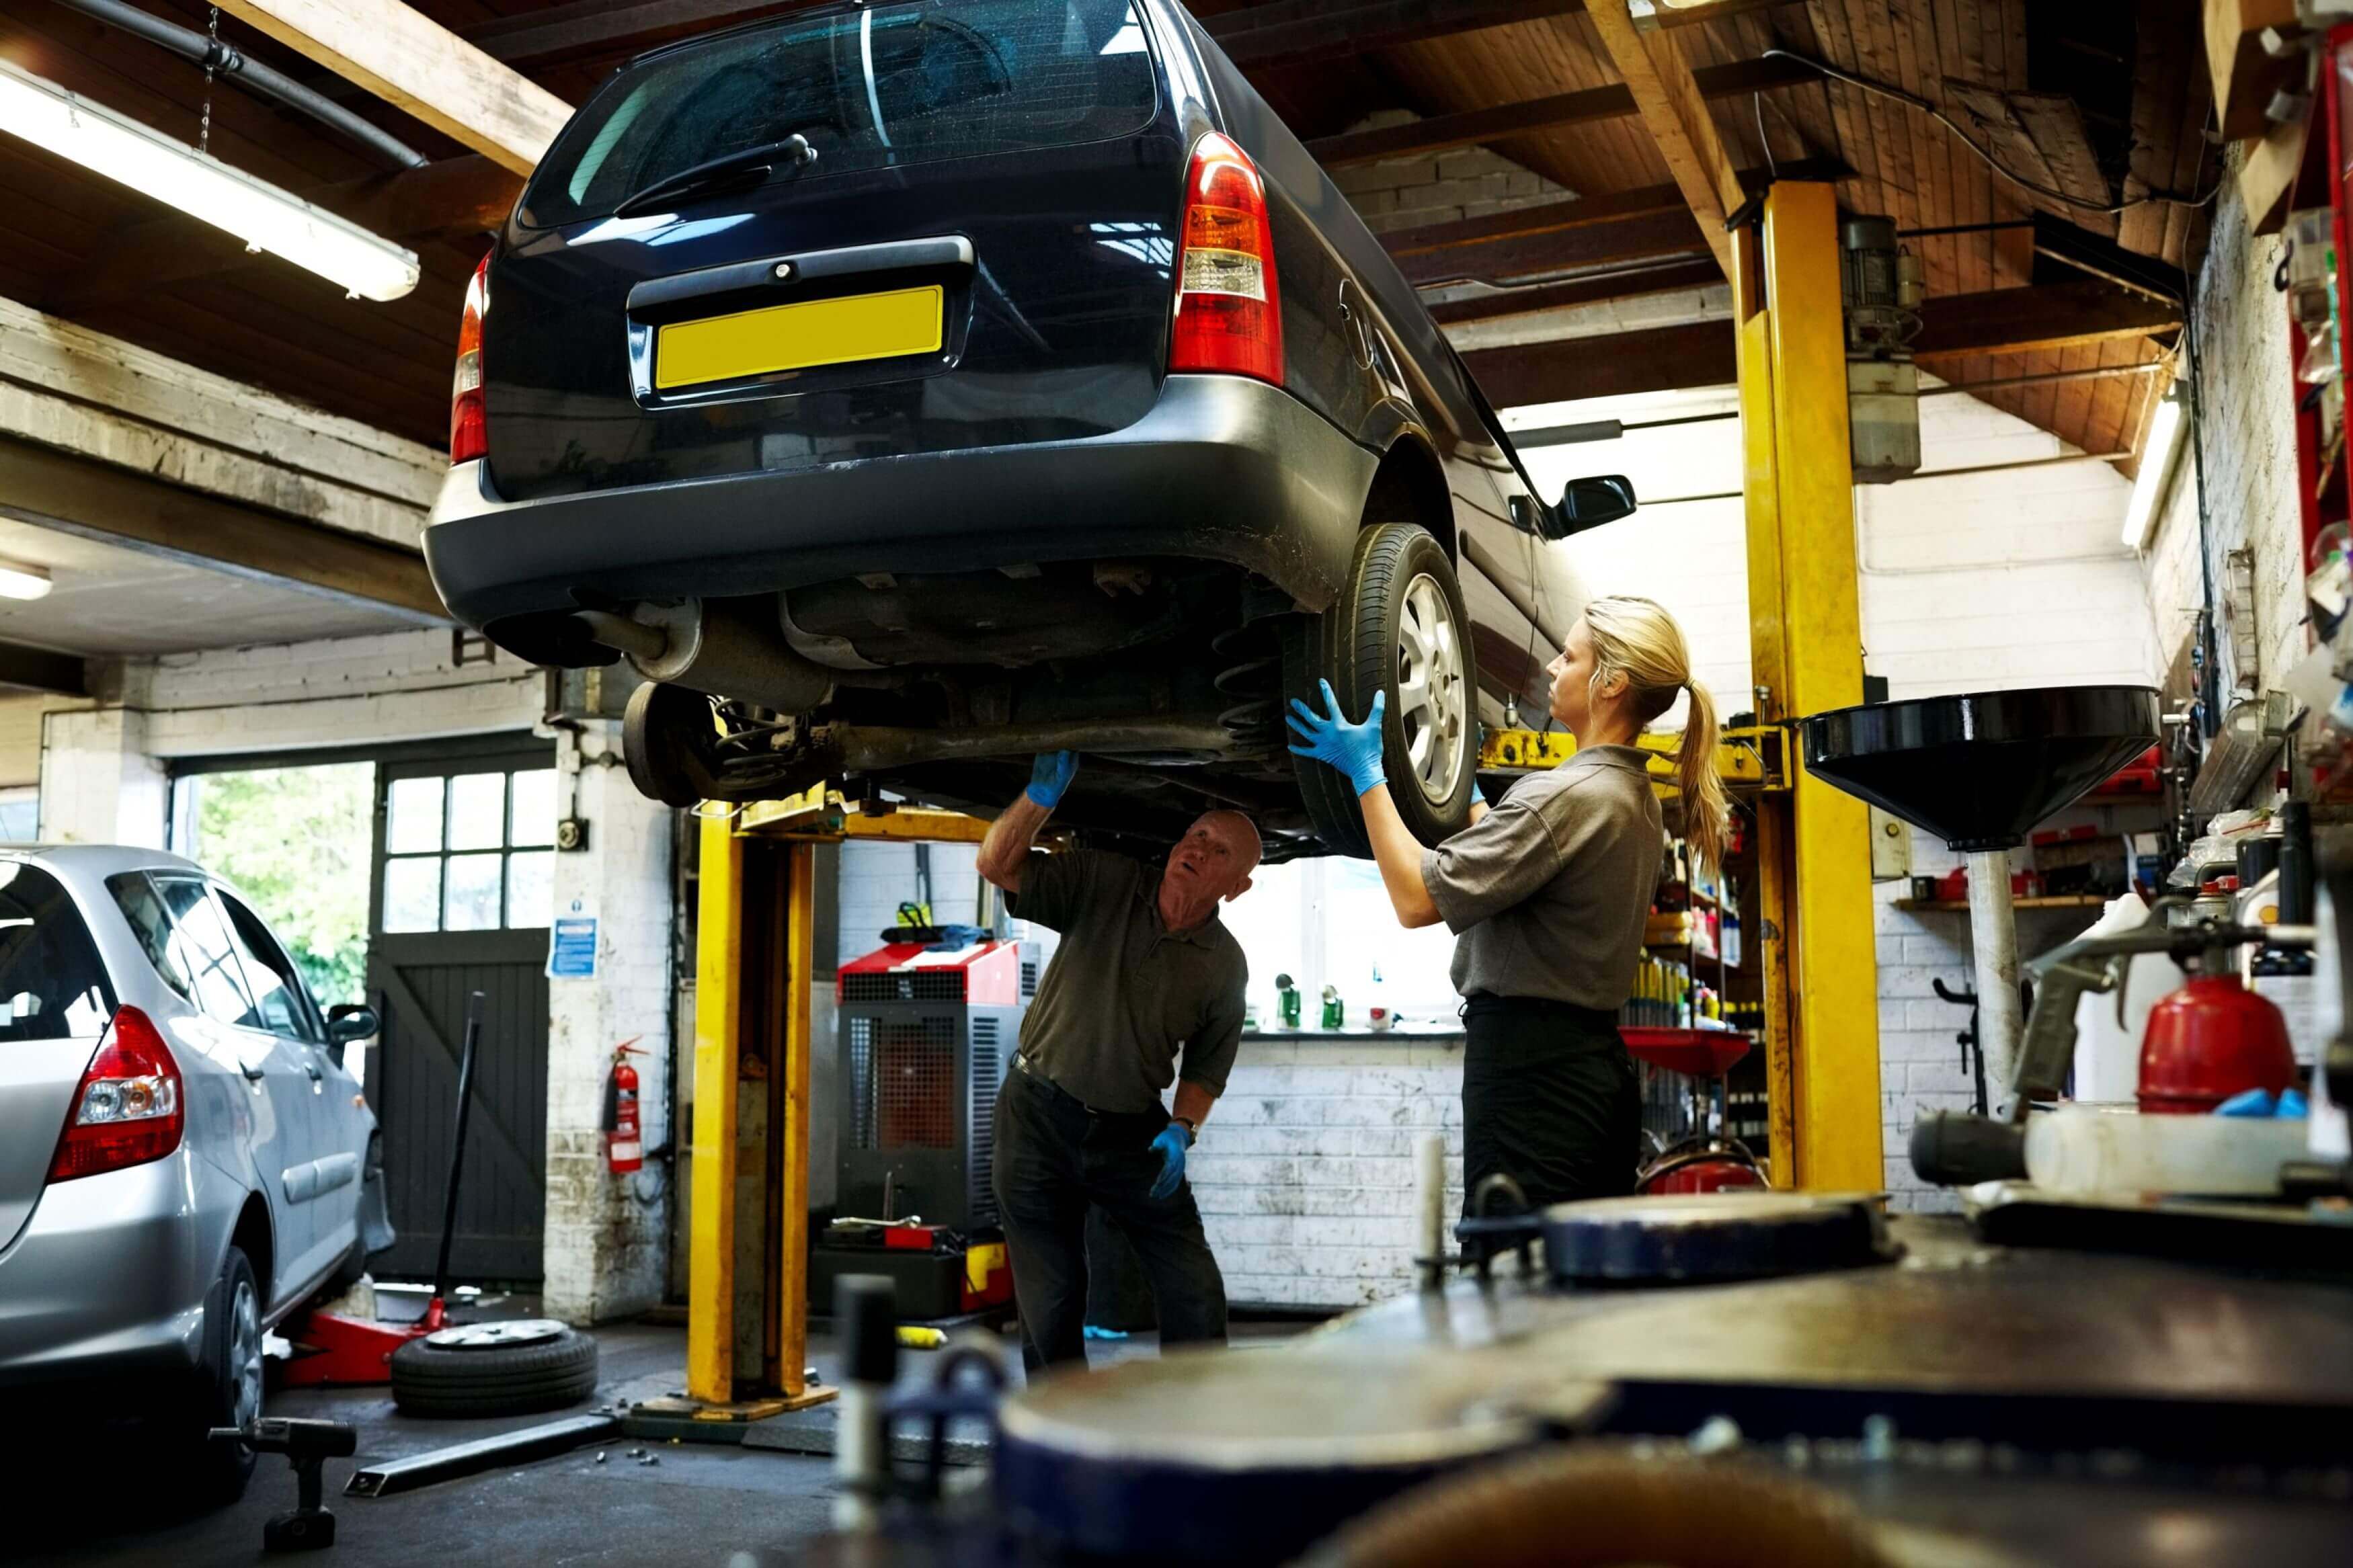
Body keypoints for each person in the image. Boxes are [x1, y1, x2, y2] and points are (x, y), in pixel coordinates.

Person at [1287, 595, 1728, 1210]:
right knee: (1571, 1271)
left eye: (1569, 656)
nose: (1552, 666)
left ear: (1611, 683)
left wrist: (1367, 774)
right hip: (1589, 1070)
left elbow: (1415, 899)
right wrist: (1473, 807)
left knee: (1511, 1270)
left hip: (1531, 1077)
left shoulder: (1567, 795)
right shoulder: (1631, 797)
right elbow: (1530, 867)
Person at [975, 750, 1260, 1372]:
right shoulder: (1104, 881)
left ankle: (1195, 1432)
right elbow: (996, 864)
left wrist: (1182, 1131)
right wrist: (1039, 797)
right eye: (1198, 835)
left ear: (1237, 887)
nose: (1200, 850)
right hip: (1036, 1118)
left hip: (1131, 1134)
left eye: (1220, 853)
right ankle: (1068, 1448)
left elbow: (1207, 1067)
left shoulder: (1224, 966)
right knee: (1052, 1303)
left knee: (1193, 1287)